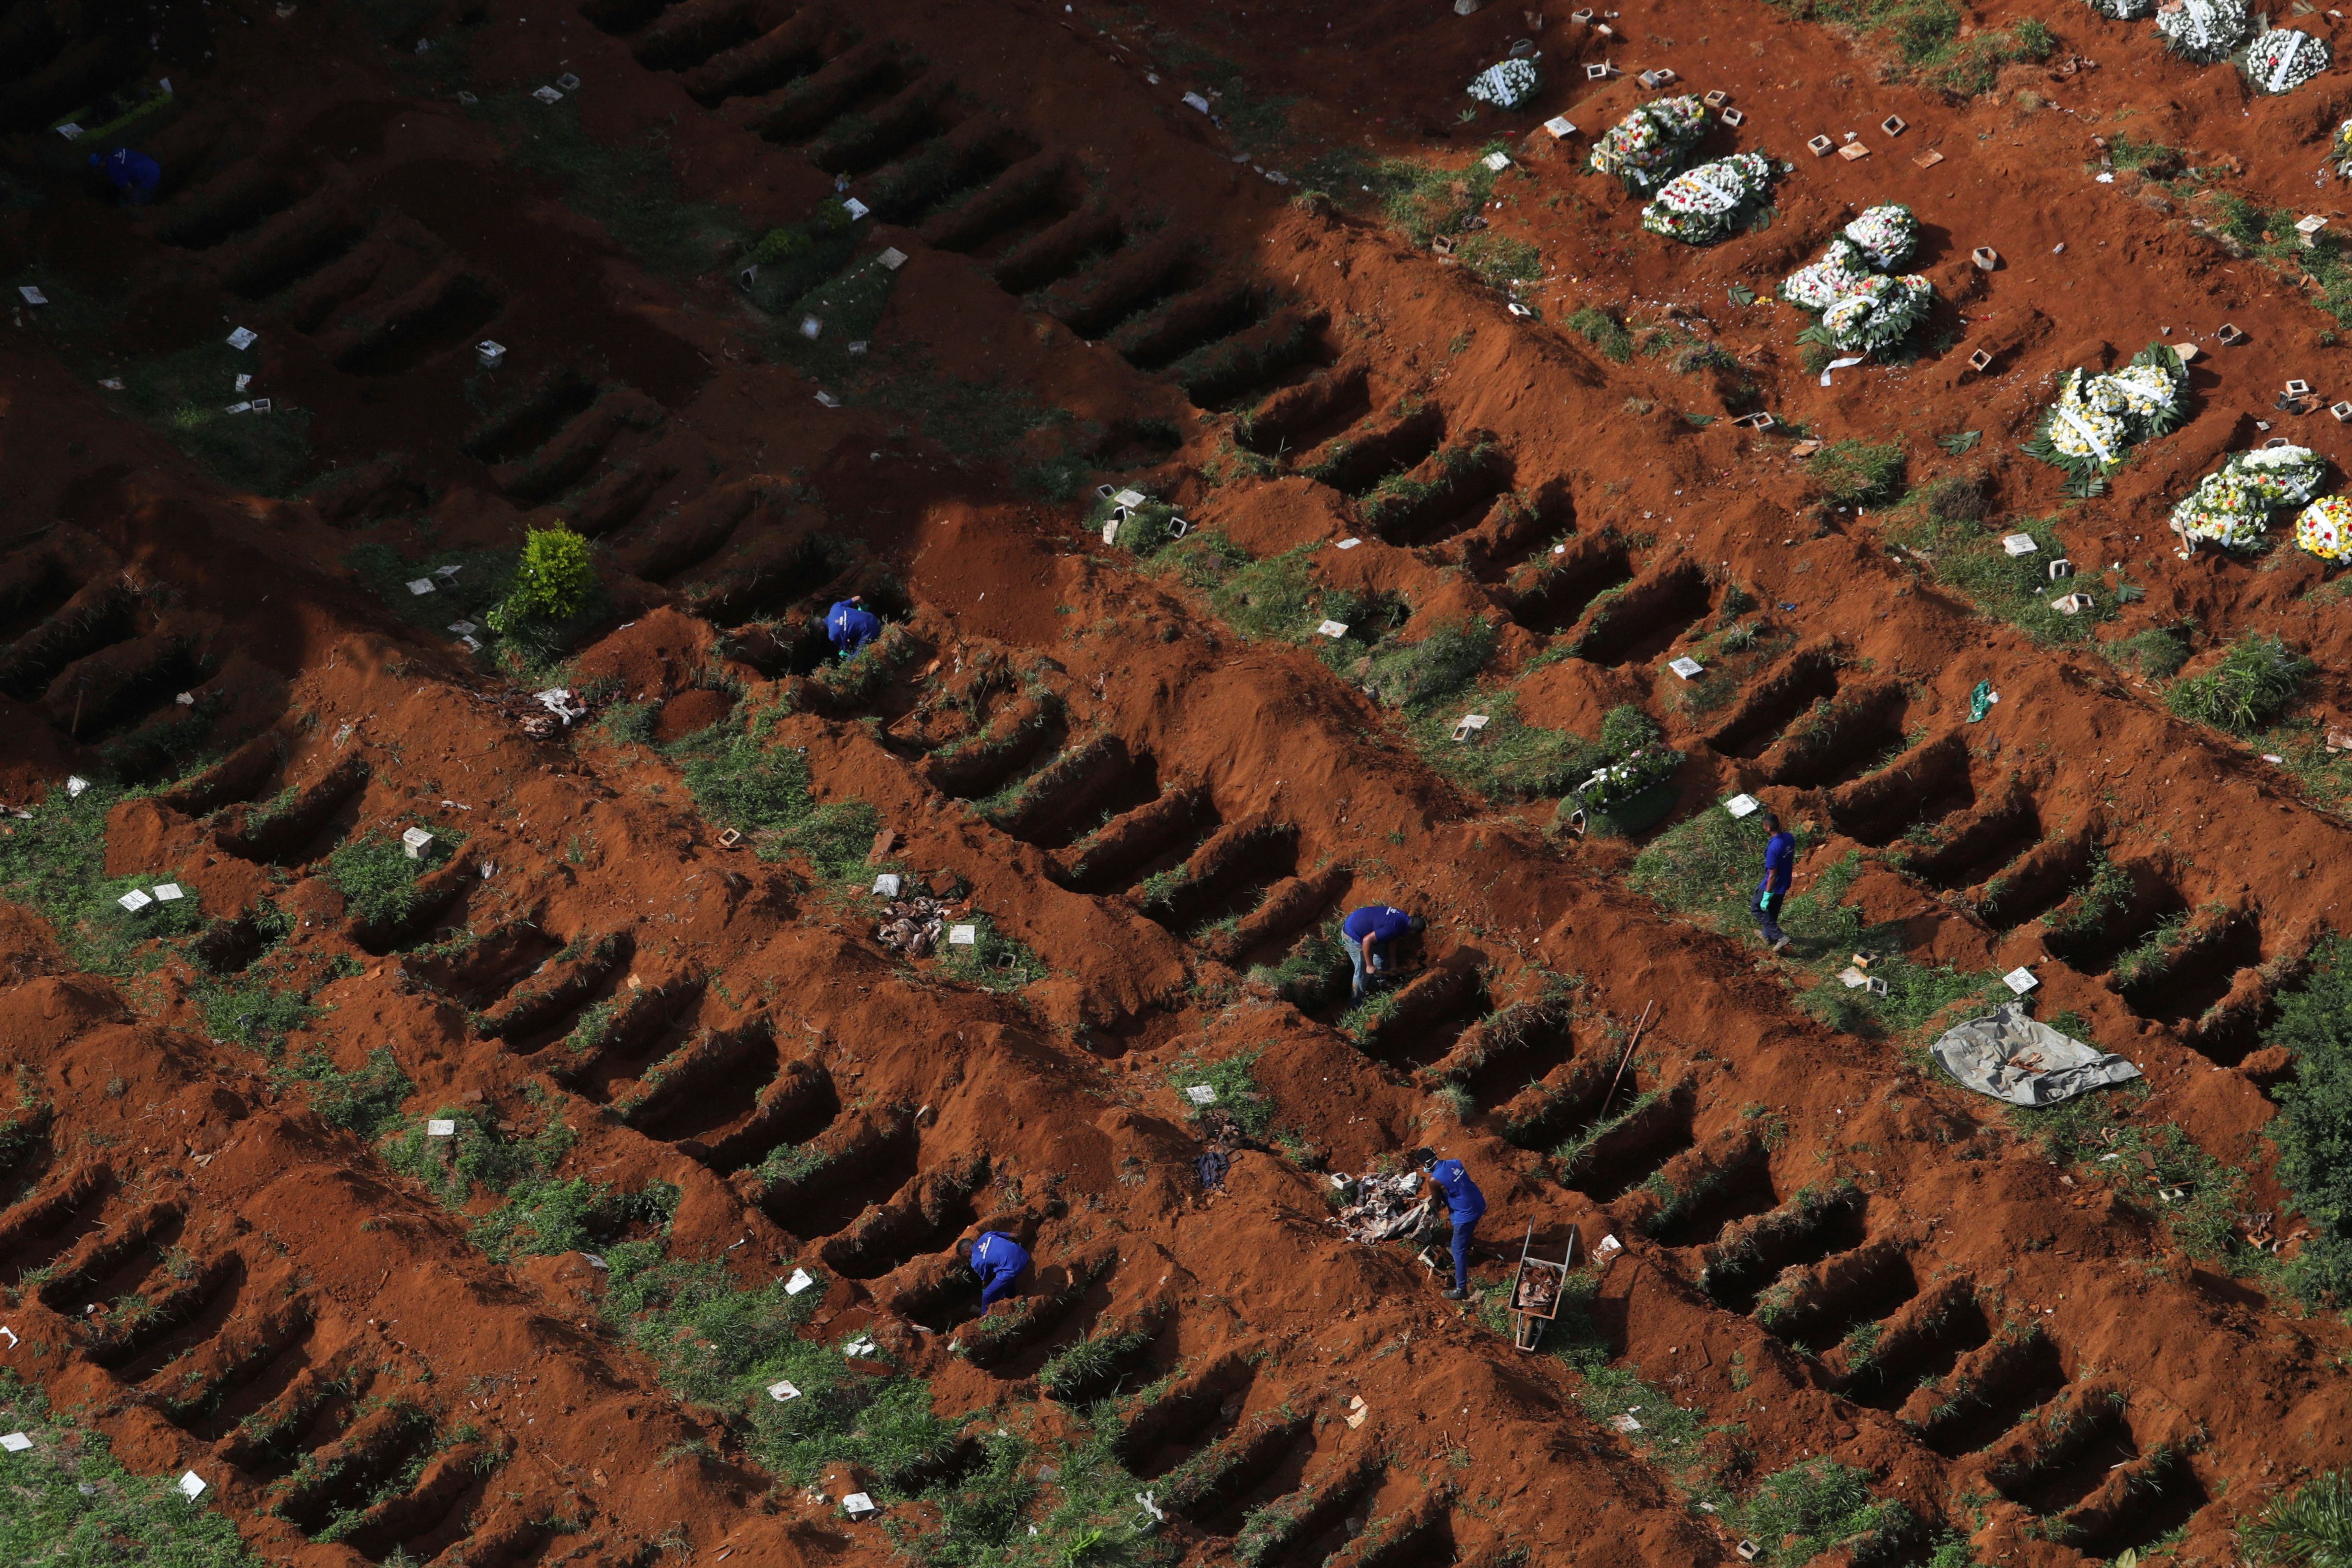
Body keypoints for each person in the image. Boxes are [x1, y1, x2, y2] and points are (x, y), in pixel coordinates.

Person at [1417, 1149, 1485, 1301]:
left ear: (1427, 1164)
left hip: (1465, 1214)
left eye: (1423, 1165)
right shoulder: (1455, 1162)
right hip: (1478, 1203)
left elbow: (1436, 1203)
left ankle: (1461, 1289)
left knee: (1457, 1248)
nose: (1424, 1169)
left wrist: (1428, 1205)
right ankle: (1462, 1244)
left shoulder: (1435, 1180)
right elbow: (1456, 1185)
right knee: (1462, 1236)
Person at [1342, 904, 1424, 1002]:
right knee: (1362, 971)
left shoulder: (1402, 918)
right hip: (1353, 934)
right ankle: (1356, 1003)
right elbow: (1367, 941)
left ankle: (1377, 982)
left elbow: (1392, 941)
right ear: (1413, 932)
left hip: (1362, 926)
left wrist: (1393, 966)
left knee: (1382, 954)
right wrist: (1369, 965)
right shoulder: (1395, 927)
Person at [1755, 813, 1796, 954]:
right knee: (1772, 912)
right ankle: (1767, 935)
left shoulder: (1774, 848)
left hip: (1773, 884)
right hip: (1785, 882)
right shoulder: (1789, 838)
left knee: (1757, 908)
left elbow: (1772, 875)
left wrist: (1767, 895)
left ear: (1768, 827)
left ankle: (1781, 937)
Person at [961, 1229, 1029, 1311]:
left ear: (967, 1252)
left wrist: (985, 1287)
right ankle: (1010, 1300)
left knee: (987, 1295)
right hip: (1024, 1255)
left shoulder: (976, 1262)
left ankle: (984, 1317)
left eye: (965, 1256)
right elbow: (1013, 1235)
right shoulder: (987, 1235)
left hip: (1012, 1269)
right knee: (1005, 1278)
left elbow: (985, 1280)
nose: (967, 1258)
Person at [89, 147, 162, 207]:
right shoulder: (117, 150)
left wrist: (125, 197)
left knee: (130, 206)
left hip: (149, 178)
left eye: (98, 168)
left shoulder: (112, 170)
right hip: (153, 165)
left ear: (100, 164)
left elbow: (129, 187)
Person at [825, 594, 881, 658]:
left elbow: (847, 649)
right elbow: (858, 598)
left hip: (870, 632)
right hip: (874, 619)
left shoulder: (833, 634)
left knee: (852, 659)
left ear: (821, 628)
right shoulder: (835, 607)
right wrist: (863, 608)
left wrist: (845, 650)